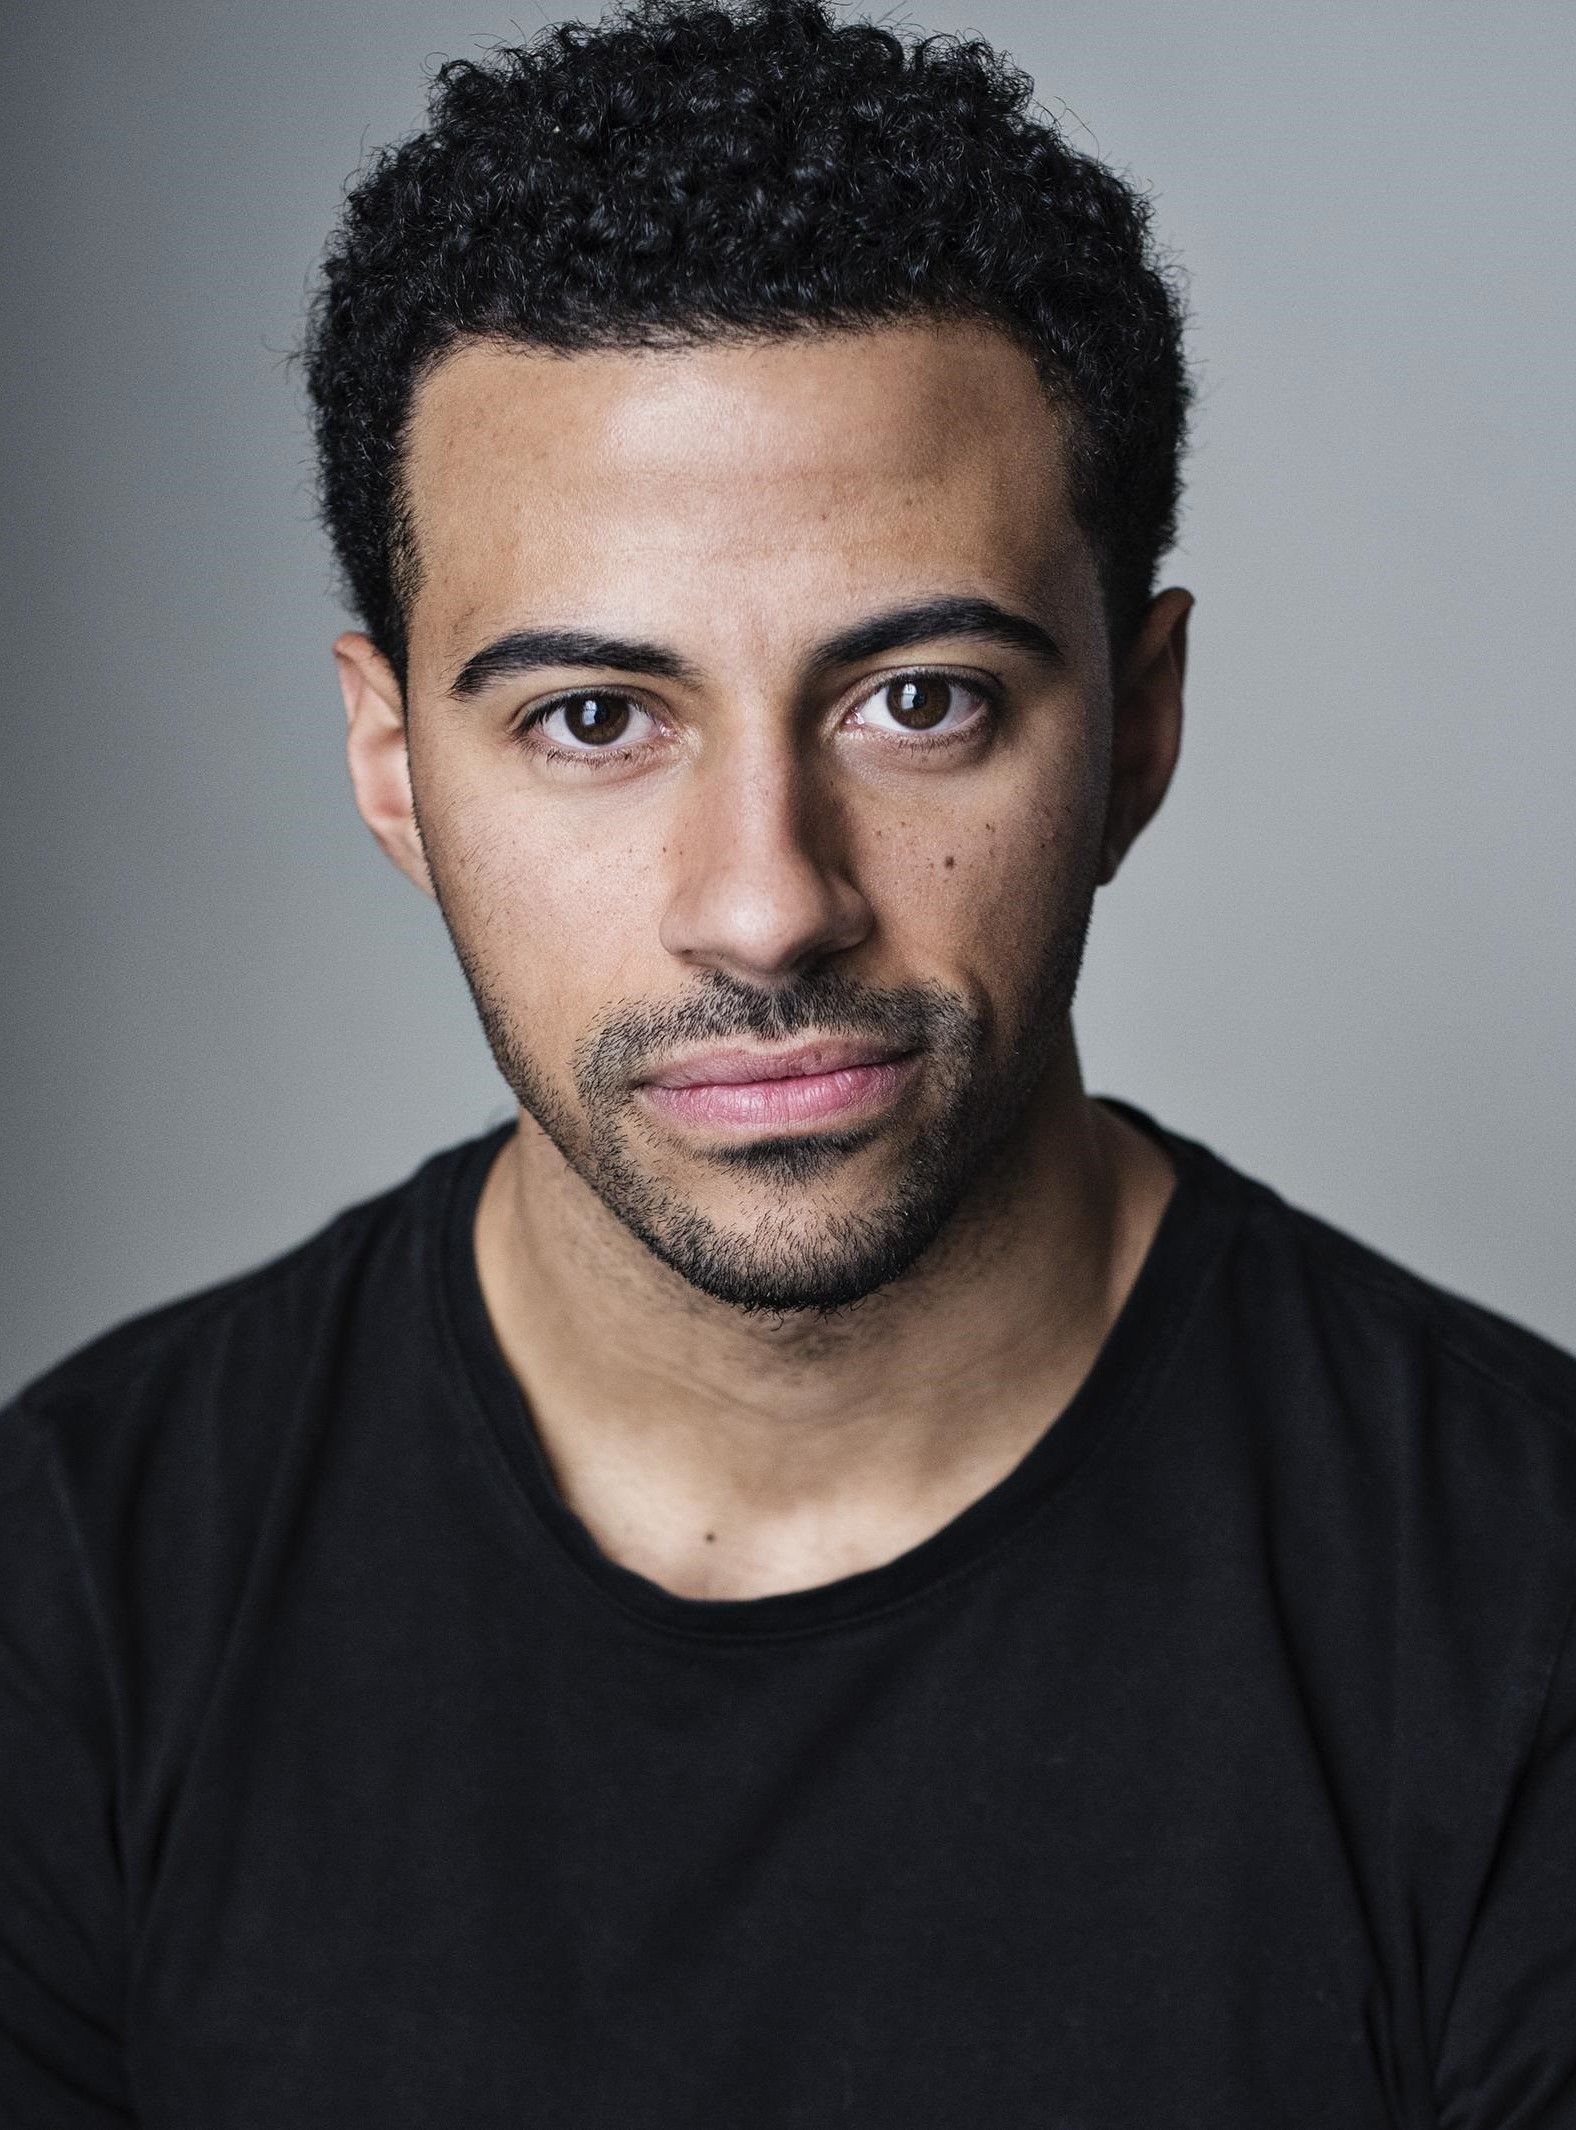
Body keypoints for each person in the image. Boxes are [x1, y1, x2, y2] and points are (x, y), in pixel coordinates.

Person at [3, 0, 1573, 2120]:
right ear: (391, 765)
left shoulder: (1516, 1608)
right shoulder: (79, 1591)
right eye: (592, 718)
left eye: (917, 699)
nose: (764, 905)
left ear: (1139, 726)